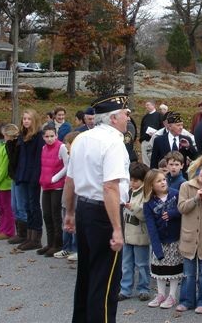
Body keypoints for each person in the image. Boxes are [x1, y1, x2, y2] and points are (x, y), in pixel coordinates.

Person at [63, 93, 131, 323]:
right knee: (105, 280)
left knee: (87, 274)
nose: (127, 117)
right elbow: (110, 187)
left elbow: (70, 180)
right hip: (104, 213)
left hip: (84, 209)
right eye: (125, 114)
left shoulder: (82, 138)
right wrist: (117, 229)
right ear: (113, 118)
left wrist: (70, 212)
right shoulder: (113, 142)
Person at [177, 159, 202, 314]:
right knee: (188, 273)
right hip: (188, 238)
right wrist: (195, 199)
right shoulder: (186, 186)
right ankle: (187, 300)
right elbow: (181, 208)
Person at [143, 169, 183, 309]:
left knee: (174, 269)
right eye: (158, 181)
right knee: (159, 268)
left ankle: (172, 295)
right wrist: (156, 246)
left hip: (175, 239)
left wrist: (172, 214)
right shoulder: (148, 202)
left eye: (164, 179)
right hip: (159, 240)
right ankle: (160, 294)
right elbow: (150, 225)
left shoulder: (175, 194)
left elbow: (183, 210)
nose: (163, 182)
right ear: (151, 185)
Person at [118, 162, 152, 302]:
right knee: (126, 264)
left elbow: (145, 215)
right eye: (131, 179)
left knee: (142, 264)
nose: (132, 183)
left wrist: (133, 207)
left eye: (136, 180)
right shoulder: (128, 191)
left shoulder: (146, 194)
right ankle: (125, 289)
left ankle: (144, 288)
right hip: (127, 234)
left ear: (143, 180)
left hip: (140, 235)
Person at [13, 109, 45, 251]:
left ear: (34, 120)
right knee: (26, 206)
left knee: (34, 206)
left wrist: (36, 176)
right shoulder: (22, 135)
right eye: (24, 118)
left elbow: (38, 158)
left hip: (33, 175)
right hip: (23, 173)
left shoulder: (38, 136)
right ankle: (28, 236)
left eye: (29, 119)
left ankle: (36, 238)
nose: (26, 121)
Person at [37, 124, 69, 257]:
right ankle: (49, 243)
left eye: (52, 136)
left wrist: (55, 178)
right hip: (46, 185)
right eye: (47, 136)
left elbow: (67, 165)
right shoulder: (44, 148)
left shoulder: (61, 147)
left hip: (57, 186)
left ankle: (57, 244)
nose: (49, 139)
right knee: (47, 215)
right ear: (43, 137)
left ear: (56, 135)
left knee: (56, 215)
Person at [53, 131, 80, 262]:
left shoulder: (79, 159)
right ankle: (66, 246)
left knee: (75, 222)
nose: (65, 147)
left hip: (76, 195)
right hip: (67, 193)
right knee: (66, 221)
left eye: (67, 145)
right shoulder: (70, 158)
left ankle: (76, 249)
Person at [0, 124, 17, 240]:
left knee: (7, 208)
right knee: (1, 208)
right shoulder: (0, 146)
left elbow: (4, 168)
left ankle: (9, 231)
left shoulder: (7, 148)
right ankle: (2, 229)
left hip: (5, 183)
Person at [140, 101, 163, 167]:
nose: (146, 106)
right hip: (145, 141)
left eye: (148, 105)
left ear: (153, 105)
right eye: (146, 105)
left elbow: (162, 128)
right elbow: (142, 128)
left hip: (155, 141)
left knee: (154, 159)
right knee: (145, 161)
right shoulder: (145, 117)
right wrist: (141, 139)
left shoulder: (159, 115)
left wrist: (155, 133)